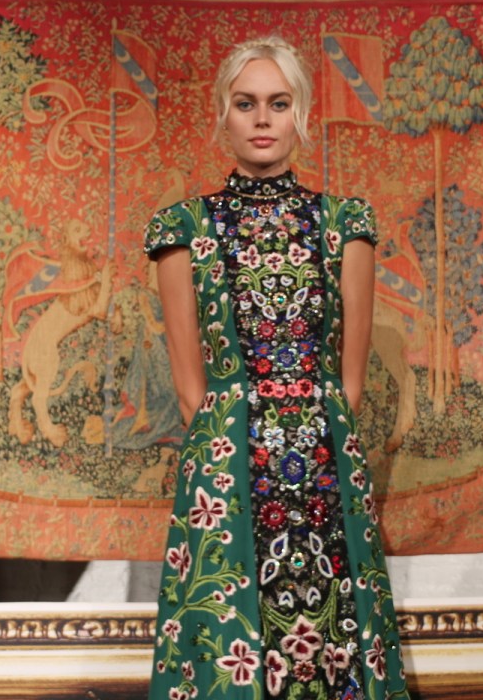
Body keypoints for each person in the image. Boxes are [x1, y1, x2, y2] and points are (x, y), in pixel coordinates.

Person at [143, 36, 409, 700]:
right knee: (228, 650)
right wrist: (242, 448)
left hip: (324, 466)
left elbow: (347, 384)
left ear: (301, 115)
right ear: (223, 116)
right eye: (246, 104)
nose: (262, 119)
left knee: (333, 644)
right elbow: (190, 393)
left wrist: (312, 446)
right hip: (227, 467)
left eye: (278, 103)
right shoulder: (184, 227)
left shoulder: (343, 224)